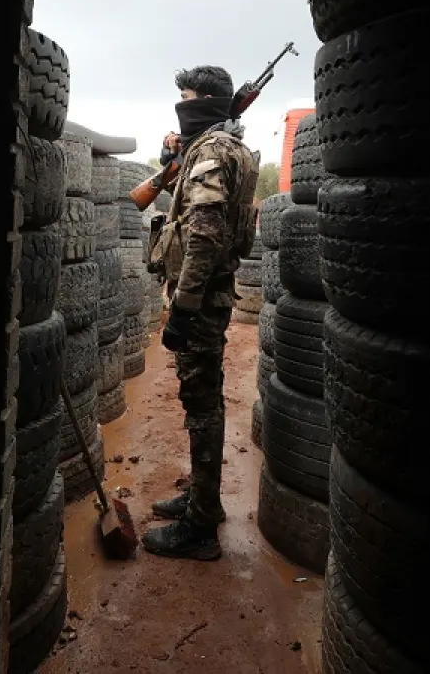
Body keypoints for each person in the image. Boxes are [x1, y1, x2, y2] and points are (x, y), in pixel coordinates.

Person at [142, 64, 260, 560]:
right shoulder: (227, 149)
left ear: (206, 101)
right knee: (204, 399)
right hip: (213, 294)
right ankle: (201, 496)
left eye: (187, 96)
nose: (181, 105)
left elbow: (207, 235)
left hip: (202, 300)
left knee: (201, 403)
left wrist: (183, 310)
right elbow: (196, 211)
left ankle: (202, 525)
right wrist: (172, 161)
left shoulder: (211, 153)